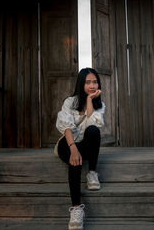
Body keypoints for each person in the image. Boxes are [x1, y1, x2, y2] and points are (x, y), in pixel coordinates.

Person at [54, 67, 105, 230]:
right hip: (69, 144)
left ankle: (92, 172)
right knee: (73, 158)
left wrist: (90, 100)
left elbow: (92, 123)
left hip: (87, 146)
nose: (92, 85)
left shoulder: (99, 104)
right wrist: (73, 148)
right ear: (81, 84)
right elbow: (66, 126)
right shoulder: (70, 102)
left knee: (94, 130)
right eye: (88, 82)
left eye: (95, 82)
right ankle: (76, 208)